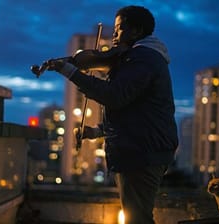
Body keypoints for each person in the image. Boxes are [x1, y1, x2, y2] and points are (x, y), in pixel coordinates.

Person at [45, 5, 178, 224]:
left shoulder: (143, 58)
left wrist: (70, 70)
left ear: (136, 31)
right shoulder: (136, 58)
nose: (114, 35)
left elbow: (114, 96)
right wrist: (97, 131)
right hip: (141, 150)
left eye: (119, 28)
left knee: (137, 218)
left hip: (142, 154)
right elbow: (135, 113)